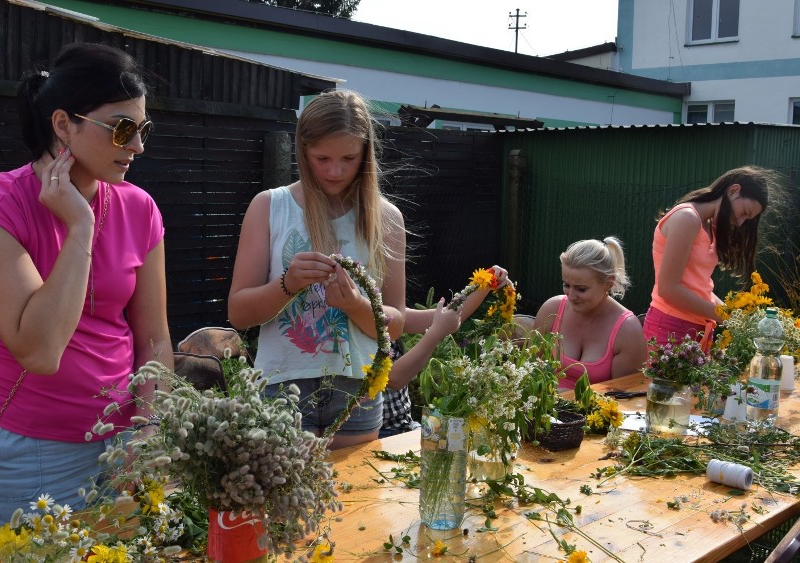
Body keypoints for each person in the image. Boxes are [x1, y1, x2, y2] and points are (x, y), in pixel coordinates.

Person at [0, 43, 173, 531]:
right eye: (123, 128)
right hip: (35, 453)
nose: (138, 146)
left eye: (144, 129)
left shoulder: (140, 208)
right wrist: (80, 228)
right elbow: (41, 350)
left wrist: (151, 426)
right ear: (62, 125)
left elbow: (154, 337)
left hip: (125, 445)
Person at [228, 90, 406, 449]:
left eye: (349, 158)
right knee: (283, 504)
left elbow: (396, 324)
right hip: (280, 387)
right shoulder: (269, 206)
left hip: (357, 390)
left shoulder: (386, 218)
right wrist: (288, 284)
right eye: (321, 157)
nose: (335, 170)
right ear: (302, 150)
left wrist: (356, 304)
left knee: (356, 500)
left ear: (365, 154)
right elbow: (238, 314)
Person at [642, 166, 776, 351]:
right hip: (670, 327)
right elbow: (668, 289)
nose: (740, 223)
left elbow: (699, 287)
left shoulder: (708, 226)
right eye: (745, 212)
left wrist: (736, 315)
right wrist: (725, 316)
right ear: (733, 190)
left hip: (697, 329)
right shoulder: (687, 218)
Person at [379, 267, 510, 439]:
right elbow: (393, 378)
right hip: (379, 434)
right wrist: (435, 333)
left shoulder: (389, 315)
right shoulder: (352, 322)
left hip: (404, 425)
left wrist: (486, 282)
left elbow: (450, 316)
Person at [536, 237, 647, 389]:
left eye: (581, 289)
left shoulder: (627, 330)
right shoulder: (552, 310)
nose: (571, 296)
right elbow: (531, 372)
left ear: (608, 283)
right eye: (566, 285)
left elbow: (626, 396)